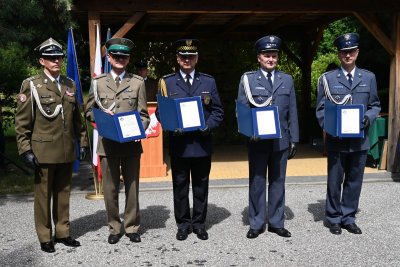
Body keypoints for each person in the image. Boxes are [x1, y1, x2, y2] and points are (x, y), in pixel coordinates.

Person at [15, 38, 88, 253]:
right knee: (43, 196)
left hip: (66, 149)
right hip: (43, 150)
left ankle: (63, 232)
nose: (56, 60)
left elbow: (77, 118)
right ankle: (45, 236)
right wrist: (25, 149)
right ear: (41, 61)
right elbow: (22, 121)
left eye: (58, 57)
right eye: (50, 58)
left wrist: (82, 141)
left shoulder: (69, 84)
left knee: (63, 193)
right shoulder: (32, 85)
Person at [157, 39, 224, 241]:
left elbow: (218, 111)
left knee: (201, 185)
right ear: (178, 59)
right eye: (183, 57)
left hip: (202, 143)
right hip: (180, 144)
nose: (187, 60)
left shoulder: (208, 82)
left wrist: (209, 125)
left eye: (191, 56)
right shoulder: (167, 82)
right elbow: (161, 112)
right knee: (180, 186)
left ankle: (200, 224)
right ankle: (183, 224)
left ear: (197, 58)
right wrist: (171, 126)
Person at [86, 37, 150, 244]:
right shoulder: (98, 82)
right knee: (110, 189)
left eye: (124, 56)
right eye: (116, 56)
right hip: (108, 144)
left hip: (131, 144)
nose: (120, 59)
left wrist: (136, 129)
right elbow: (89, 110)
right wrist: (103, 122)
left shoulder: (137, 82)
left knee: (132, 187)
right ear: (110, 57)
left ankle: (131, 226)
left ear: (128, 59)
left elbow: (144, 115)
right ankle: (114, 227)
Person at [316, 33, 381, 235]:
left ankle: (348, 217)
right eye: (344, 51)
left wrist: (368, 118)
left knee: (354, 180)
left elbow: (375, 105)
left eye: (351, 51)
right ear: (339, 54)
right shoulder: (327, 79)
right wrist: (330, 126)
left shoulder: (368, 77)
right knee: (335, 180)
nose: (348, 55)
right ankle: (334, 218)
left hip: (359, 139)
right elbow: (320, 109)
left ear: (357, 52)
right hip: (337, 139)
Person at [237, 35, 299, 239]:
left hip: (280, 140)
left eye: (274, 55)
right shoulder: (249, 79)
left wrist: (294, 139)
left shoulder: (286, 79)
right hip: (258, 140)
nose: (271, 59)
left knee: (278, 181)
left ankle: (276, 222)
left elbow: (292, 111)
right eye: (267, 55)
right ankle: (256, 223)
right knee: (257, 181)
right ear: (259, 58)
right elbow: (242, 110)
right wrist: (249, 133)